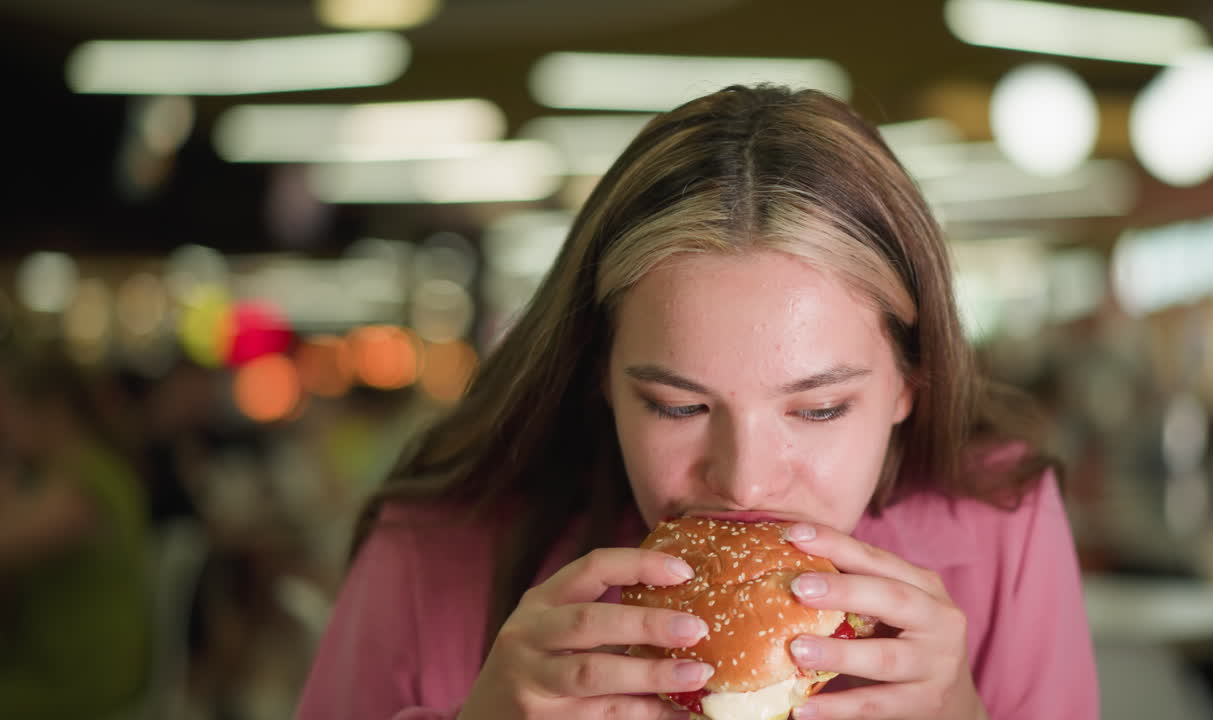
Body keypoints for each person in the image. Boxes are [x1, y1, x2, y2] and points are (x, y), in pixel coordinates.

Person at [296, 84, 1099, 720]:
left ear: (908, 386)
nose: (745, 484)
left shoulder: (1001, 523)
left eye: (819, 410)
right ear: (597, 380)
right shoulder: (433, 549)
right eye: (677, 407)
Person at [0, 342, 152, 717]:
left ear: (51, 411)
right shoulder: (69, 472)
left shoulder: (85, 483)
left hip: (83, 676)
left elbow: (10, 545)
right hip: (58, 663)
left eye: (10, 410)